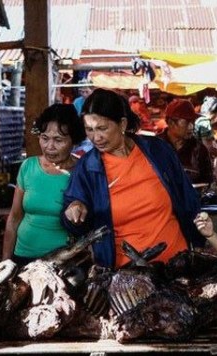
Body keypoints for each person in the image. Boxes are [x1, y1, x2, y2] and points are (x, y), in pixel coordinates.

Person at [62, 88, 201, 269]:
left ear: (122, 124)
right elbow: (75, 223)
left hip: (177, 263)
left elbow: (187, 198)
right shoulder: (87, 168)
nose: (96, 137)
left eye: (102, 128)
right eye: (89, 129)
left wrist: (197, 242)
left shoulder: (157, 151)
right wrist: (74, 211)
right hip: (127, 277)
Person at [2, 104, 86, 266]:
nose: (49, 146)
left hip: (64, 261)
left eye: (58, 140)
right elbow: (14, 217)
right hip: (23, 256)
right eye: (45, 138)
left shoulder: (83, 170)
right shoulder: (28, 166)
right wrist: (5, 261)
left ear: (73, 141)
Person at [157, 99, 214, 185]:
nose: (191, 126)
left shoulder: (199, 150)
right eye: (186, 122)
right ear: (170, 123)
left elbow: (208, 183)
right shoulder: (154, 146)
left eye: (192, 122)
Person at [194, 96, 217, 184]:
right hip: (200, 166)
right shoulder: (204, 123)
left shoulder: (199, 120)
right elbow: (210, 148)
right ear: (216, 113)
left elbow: (212, 143)